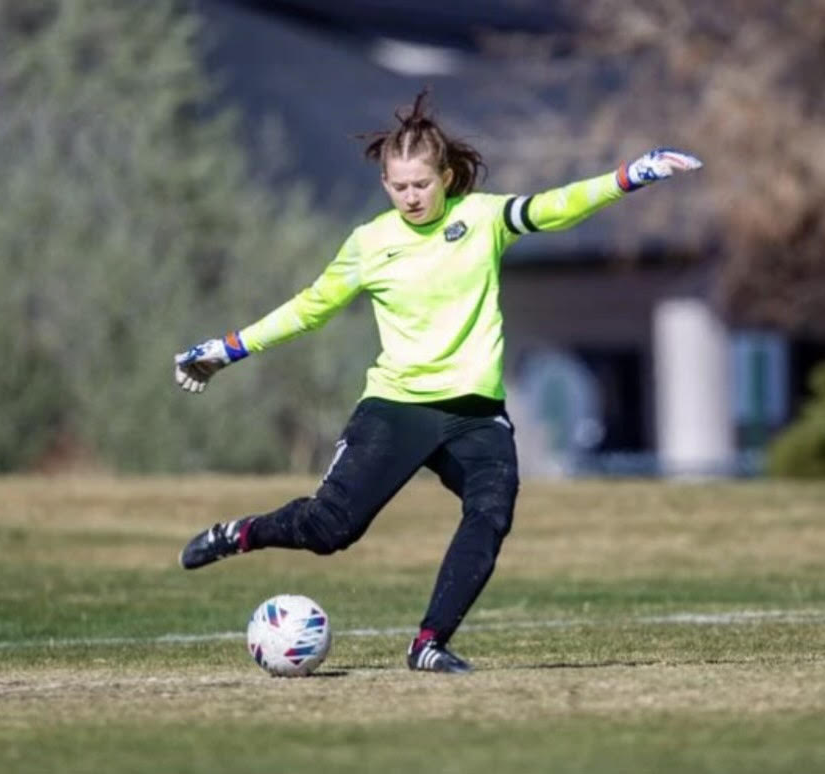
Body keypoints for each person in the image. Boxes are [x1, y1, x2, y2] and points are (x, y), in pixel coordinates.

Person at [173, 91, 702, 674]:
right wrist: (226, 349)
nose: (411, 197)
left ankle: (429, 643)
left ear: (447, 177)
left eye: (421, 185)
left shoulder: (482, 220)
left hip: (476, 412)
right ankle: (239, 534)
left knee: (491, 510)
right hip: (397, 406)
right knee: (330, 530)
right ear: (384, 185)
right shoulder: (369, 244)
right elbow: (308, 309)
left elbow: (556, 207)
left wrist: (629, 176)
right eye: (398, 188)